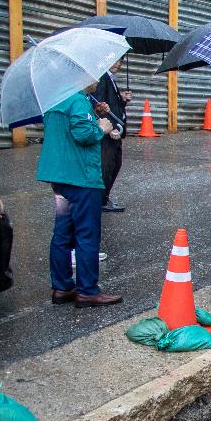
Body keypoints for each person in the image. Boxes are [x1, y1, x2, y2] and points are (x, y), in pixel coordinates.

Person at [37, 82, 121, 307]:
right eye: (94, 76)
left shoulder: (56, 98)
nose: (97, 81)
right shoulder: (77, 100)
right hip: (82, 178)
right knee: (87, 234)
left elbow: (66, 130)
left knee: (63, 232)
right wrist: (101, 127)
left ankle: (62, 287)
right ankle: (88, 290)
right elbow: (83, 134)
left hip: (61, 178)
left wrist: (92, 114)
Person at [93, 59, 131, 212]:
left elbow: (112, 106)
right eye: (116, 60)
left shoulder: (110, 79)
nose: (119, 64)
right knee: (107, 166)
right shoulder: (102, 79)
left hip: (115, 131)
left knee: (115, 164)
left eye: (121, 60)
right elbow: (98, 107)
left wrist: (122, 100)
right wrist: (107, 128)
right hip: (109, 133)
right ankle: (101, 201)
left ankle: (104, 198)